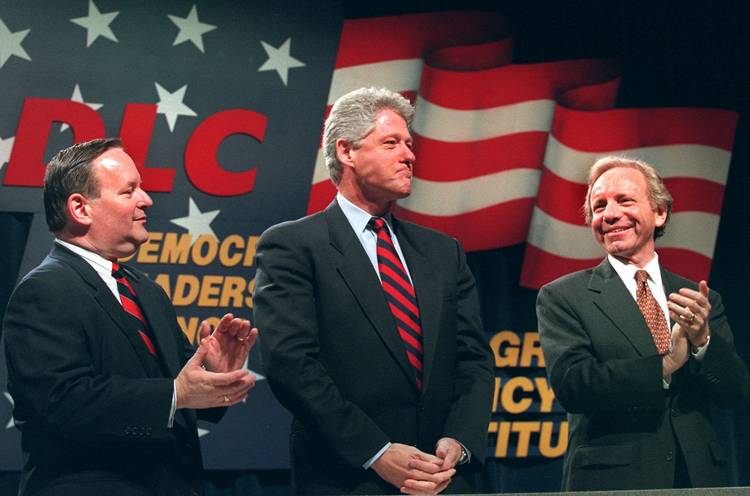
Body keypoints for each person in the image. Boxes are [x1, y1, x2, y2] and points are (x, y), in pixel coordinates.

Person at [253, 87, 493, 495]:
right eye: (391, 143)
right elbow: (292, 365)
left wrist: (460, 440)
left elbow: (473, 359)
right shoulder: (293, 246)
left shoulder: (443, 252)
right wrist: (377, 451)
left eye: (410, 144)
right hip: (348, 477)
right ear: (346, 152)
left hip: (446, 478)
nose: (409, 155)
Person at [2, 138, 258, 496]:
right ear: (81, 208)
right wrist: (175, 393)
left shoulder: (147, 291)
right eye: (129, 191)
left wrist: (212, 378)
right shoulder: (44, 290)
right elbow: (62, 402)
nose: (147, 200)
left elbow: (180, 406)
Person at [536, 156, 750, 491]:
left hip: (698, 480)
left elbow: (734, 391)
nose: (609, 214)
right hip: (613, 481)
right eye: (599, 206)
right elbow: (574, 386)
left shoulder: (698, 297)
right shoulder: (564, 296)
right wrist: (665, 365)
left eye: (625, 200)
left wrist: (704, 343)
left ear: (660, 212)